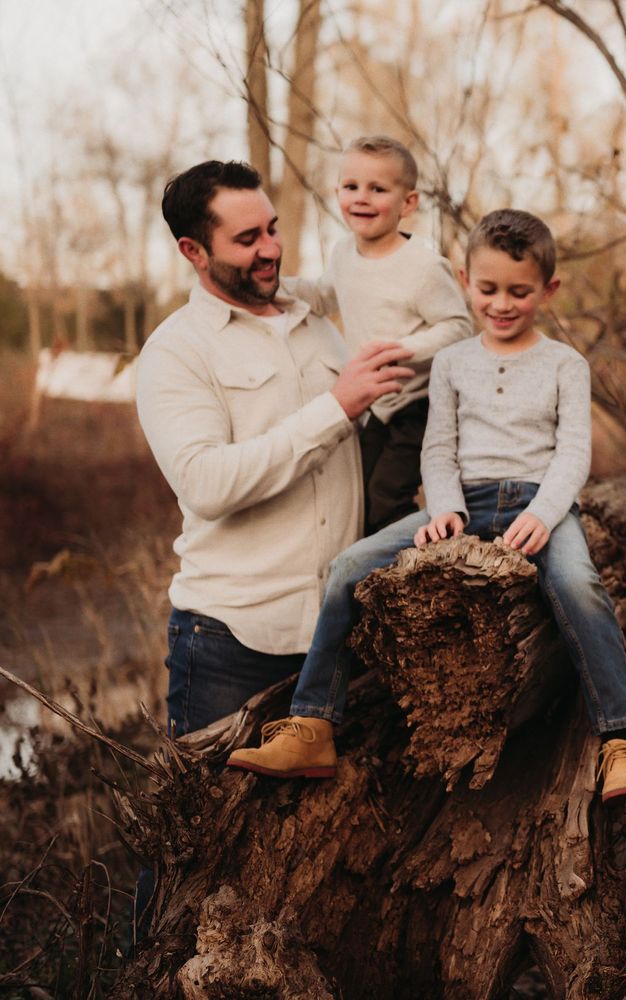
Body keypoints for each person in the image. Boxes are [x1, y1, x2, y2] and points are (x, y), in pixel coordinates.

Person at [227, 209, 626, 804]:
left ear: (548, 289)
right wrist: (446, 507)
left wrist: (545, 513)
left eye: (519, 291)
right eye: (488, 289)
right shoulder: (453, 361)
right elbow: (439, 447)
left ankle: (623, 740)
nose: (501, 304)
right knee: (349, 566)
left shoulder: (566, 364)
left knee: (579, 584)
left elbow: (573, 454)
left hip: (542, 505)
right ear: (464, 281)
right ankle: (313, 724)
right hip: (466, 506)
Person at [135, 159, 413, 739]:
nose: (270, 249)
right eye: (247, 239)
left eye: (272, 228)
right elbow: (206, 484)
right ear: (193, 251)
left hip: (342, 633)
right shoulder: (176, 351)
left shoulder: (318, 324)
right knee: (215, 803)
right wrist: (336, 407)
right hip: (232, 645)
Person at [287, 135, 472, 535]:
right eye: (351, 186)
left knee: (387, 497)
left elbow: (459, 328)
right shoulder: (343, 254)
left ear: (408, 203)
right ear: (337, 192)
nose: (361, 198)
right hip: (375, 406)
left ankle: (427, 558)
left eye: (377, 189)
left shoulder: (422, 266)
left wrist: (403, 349)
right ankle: (380, 564)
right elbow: (323, 295)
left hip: (420, 403)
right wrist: (276, 288)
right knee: (360, 502)